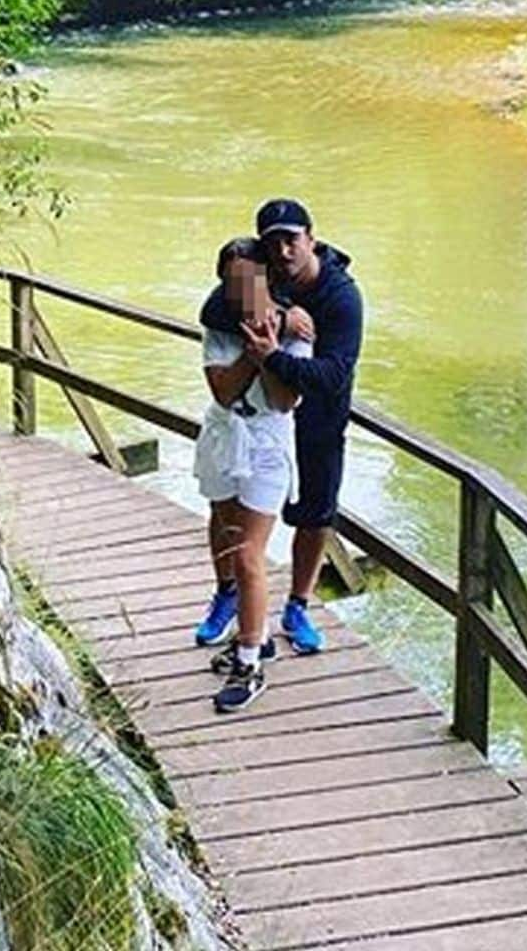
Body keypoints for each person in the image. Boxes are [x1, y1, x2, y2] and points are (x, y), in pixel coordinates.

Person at [193, 198, 362, 660]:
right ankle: (229, 593)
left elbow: (333, 374)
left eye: (292, 240)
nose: (284, 251)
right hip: (261, 414)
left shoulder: (341, 296)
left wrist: (272, 355)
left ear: (312, 239)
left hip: (319, 411)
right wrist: (282, 320)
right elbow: (216, 308)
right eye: (275, 242)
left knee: (316, 511)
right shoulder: (258, 277)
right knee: (227, 509)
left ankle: (298, 606)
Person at [192, 237, 312, 712]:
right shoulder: (220, 321)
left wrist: (270, 352)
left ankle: (250, 664)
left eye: (250, 279)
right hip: (225, 433)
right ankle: (250, 632)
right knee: (223, 529)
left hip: (266, 442)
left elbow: (286, 400)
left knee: (248, 554)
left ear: (266, 278)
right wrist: (253, 350)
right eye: (232, 281)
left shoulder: (298, 326)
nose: (241, 290)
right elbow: (221, 391)